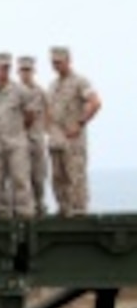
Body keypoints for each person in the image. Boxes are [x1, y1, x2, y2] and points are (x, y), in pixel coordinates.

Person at [0, 52, 34, 218]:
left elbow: (30, 115)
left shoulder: (21, 91)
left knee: (20, 180)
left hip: (15, 143)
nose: (4, 71)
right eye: (1, 67)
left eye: (7, 68)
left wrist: (17, 132)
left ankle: (24, 217)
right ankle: (3, 216)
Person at [47, 45, 101, 216]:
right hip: (56, 140)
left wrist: (80, 123)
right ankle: (64, 209)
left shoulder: (80, 82)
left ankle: (79, 211)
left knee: (75, 176)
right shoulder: (53, 85)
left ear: (69, 61)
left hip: (73, 140)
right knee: (58, 177)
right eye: (54, 62)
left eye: (60, 62)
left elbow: (95, 102)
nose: (56, 66)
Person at [16, 57, 50, 216]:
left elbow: (49, 113)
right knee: (20, 178)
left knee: (38, 177)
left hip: (36, 139)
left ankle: (40, 206)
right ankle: (23, 211)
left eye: (28, 70)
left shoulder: (41, 92)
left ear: (33, 71)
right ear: (18, 72)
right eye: (23, 70)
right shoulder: (14, 91)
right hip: (18, 140)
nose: (25, 73)